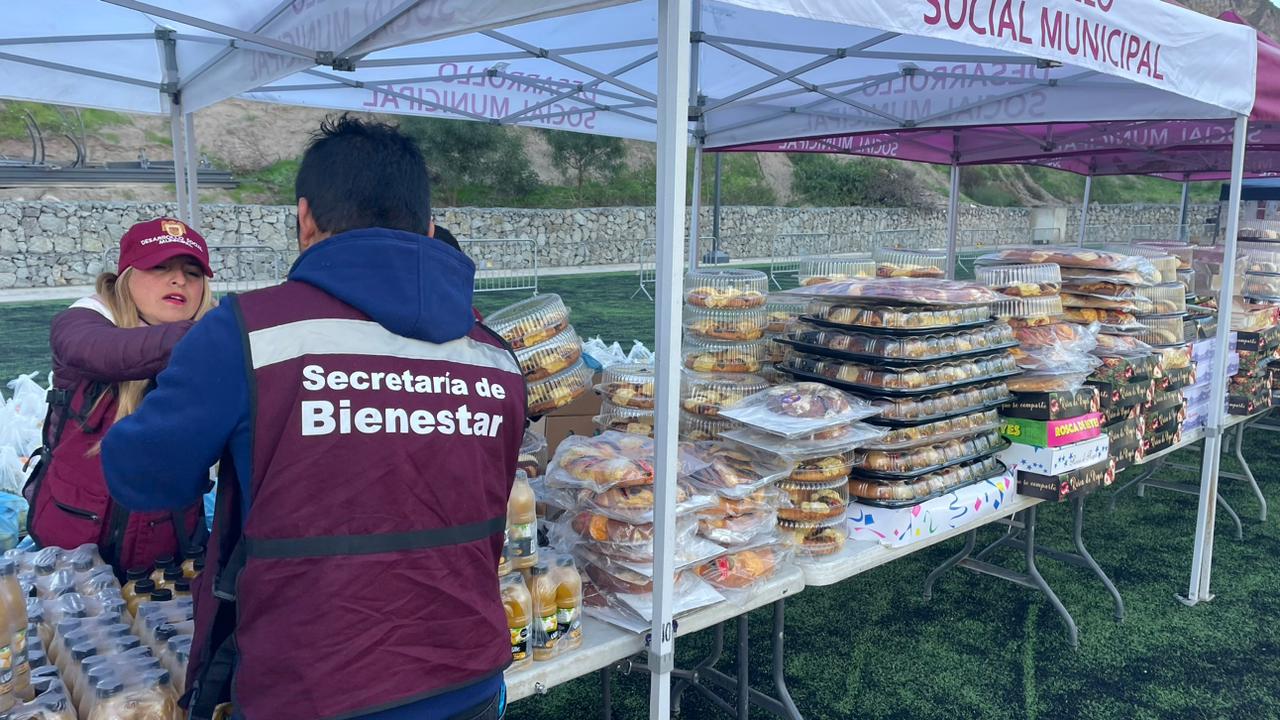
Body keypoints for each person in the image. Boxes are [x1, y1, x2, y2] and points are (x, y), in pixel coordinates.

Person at [102, 116, 526, 720]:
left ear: (304, 218)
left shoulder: (250, 333)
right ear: (428, 228)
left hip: (312, 689)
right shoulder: (496, 356)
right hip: (469, 681)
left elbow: (142, 476)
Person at [25, 218, 214, 573]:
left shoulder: (214, 342)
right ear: (126, 275)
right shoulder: (81, 321)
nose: (179, 280)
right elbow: (104, 352)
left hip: (172, 552)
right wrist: (215, 336)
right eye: (160, 266)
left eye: (193, 272)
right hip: (70, 552)